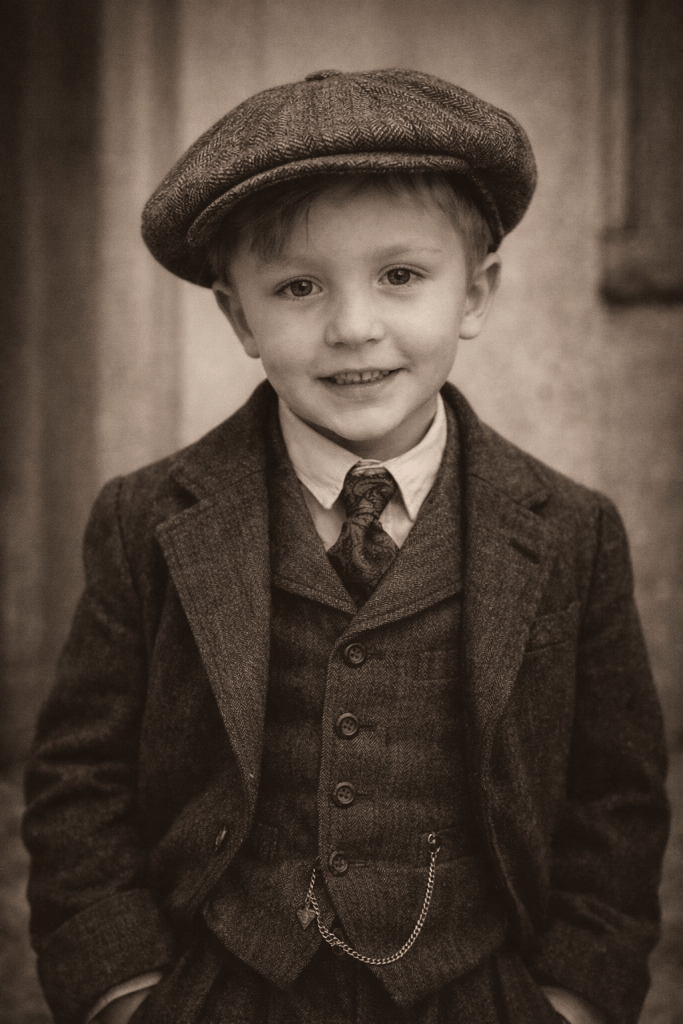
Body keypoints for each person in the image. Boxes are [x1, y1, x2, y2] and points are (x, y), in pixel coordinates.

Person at [23, 68, 669, 1024]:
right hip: (220, 988)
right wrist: (124, 995)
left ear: (476, 293)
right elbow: (80, 783)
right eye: (297, 287)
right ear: (241, 318)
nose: (353, 327)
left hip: (480, 990)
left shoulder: (572, 531)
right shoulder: (146, 519)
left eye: (400, 276)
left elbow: (613, 800)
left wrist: (573, 997)